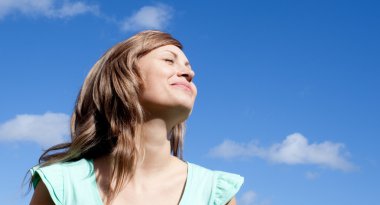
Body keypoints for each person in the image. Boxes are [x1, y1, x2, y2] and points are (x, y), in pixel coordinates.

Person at [29, 30, 244, 205]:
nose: (189, 73)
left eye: (189, 68)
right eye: (169, 60)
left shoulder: (215, 192)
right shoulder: (62, 185)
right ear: (123, 78)